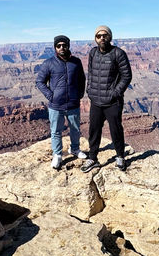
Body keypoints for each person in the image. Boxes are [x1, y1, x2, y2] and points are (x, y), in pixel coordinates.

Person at [82, 25, 132, 172]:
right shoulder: (92, 53)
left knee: (115, 129)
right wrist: (89, 90)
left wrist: (115, 93)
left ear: (110, 37)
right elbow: (90, 72)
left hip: (112, 102)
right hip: (96, 100)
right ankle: (92, 158)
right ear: (95, 38)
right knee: (94, 130)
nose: (102, 38)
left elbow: (126, 75)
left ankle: (120, 157)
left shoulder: (118, 53)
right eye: (99, 36)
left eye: (105, 35)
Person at [35, 35, 87, 170]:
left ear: (68, 46)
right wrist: (50, 96)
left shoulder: (76, 62)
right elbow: (39, 81)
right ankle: (57, 154)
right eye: (59, 46)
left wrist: (80, 94)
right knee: (56, 131)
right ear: (55, 48)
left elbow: (82, 79)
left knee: (75, 129)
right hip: (56, 105)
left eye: (64, 45)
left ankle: (75, 149)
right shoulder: (48, 63)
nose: (62, 48)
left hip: (73, 103)